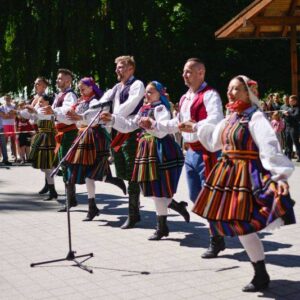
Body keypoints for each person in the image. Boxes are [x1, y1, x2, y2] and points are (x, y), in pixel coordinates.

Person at [187, 75, 295, 292]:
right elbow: (212, 143)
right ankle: (260, 273)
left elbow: (270, 146)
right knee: (239, 227)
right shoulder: (230, 118)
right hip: (228, 175)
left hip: (247, 176)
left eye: (236, 89)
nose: (231, 92)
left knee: (244, 226)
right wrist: (195, 127)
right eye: (229, 88)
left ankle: (260, 274)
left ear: (249, 93)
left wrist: (280, 176)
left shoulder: (255, 118)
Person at [146, 58, 224, 257]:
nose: (184, 75)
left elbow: (216, 119)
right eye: (184, 72)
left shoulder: (210, 95)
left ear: (201, 72)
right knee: (195, 196)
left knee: (209, 196)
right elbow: (177, 123)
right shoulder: (184, 98)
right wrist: (154, 125)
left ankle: (217, 238)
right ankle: (218, 231)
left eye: (189, 71)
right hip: (190, 151)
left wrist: (196, 126)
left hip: (208, 151)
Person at [100, 81, 184, 240]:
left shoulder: (160, 108)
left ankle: (162, 226)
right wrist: (113, 119)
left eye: (151, 92)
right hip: (146, 149)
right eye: (146, 92)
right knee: (151, 188)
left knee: (158, 187)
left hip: (160, 149)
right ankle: (168, 218)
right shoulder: (143, 109)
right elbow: (130, 125)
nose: (147, 95)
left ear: (159, 93)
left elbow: (162, 131)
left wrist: (151, 124)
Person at [82, 56, 145, 229]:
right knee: (124, 173)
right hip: (118, 132)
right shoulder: (116, 88)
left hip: (132, 133)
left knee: (133, 175)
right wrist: (84, 116)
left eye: (121, 67)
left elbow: (129, 106)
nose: (117, 70)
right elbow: (102, 103)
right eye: (116, 67)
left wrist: (113, 117)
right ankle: (164, 204)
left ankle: (133, 214)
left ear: (131, 68)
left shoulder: (137, 85)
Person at [64, 77, 126, 221]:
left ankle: (93, 205)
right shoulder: (80, 102)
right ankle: (95, 203)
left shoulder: (96, 102)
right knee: (84, 172)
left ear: (91, 87)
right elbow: (75, 118)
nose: (80, 89)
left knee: (90, 173)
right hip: (82, 136)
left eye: (83, 87)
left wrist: (78, 117)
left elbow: (94, 117)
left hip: (94, 136)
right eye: (79, 87)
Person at [41, 69, 78, 210]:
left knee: (66, 165)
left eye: (60, 79)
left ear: (68, 81)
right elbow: (53, 113)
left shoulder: (70, 95)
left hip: (68, 133)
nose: (57, 81)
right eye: (57, 78)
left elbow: (68, 113)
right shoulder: (59, 95)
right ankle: (71, 198)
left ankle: (70, 200)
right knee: (63, 165)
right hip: (60, 133)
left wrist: (54, 112)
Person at [23, 94, 58, 200]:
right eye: (40, 102)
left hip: (48, 140)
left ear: (48, 102)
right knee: (44, 167)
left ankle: (52, 192)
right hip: (42, 139)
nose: (40, 103)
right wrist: (31, 112)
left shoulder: (50, 111)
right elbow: (32, 119)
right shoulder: (41, 111)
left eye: (42, 101)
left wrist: (34, 111)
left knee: (47, 167)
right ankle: (52, 189)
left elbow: (47, 117)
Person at [282, 95, 300, 161]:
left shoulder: (297, 108)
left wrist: (288, 114)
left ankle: (299, 156)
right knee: (288, 142)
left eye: (291, 101)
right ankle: (288, 156)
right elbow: (284, 117)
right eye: (289, 101)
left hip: (294, 128)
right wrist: (283, 114)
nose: (289, 102)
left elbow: (296, 117)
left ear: (295, 101)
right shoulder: (289, 108)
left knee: (296, 142)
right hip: (287, 127)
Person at [0, 95, 17, 161]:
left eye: (9, 98)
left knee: (13, 141)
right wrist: (10, 115)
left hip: (12, 125)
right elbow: (3, 116)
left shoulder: (13, 106)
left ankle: (15, 156)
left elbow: (15, 116)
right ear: (4, 99)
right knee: (5, 142)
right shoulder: (2, 107)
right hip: (5, 125)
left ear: (11, 98)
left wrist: (8, 115)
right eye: (6, 98)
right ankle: (4, 157)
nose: (8, 99)